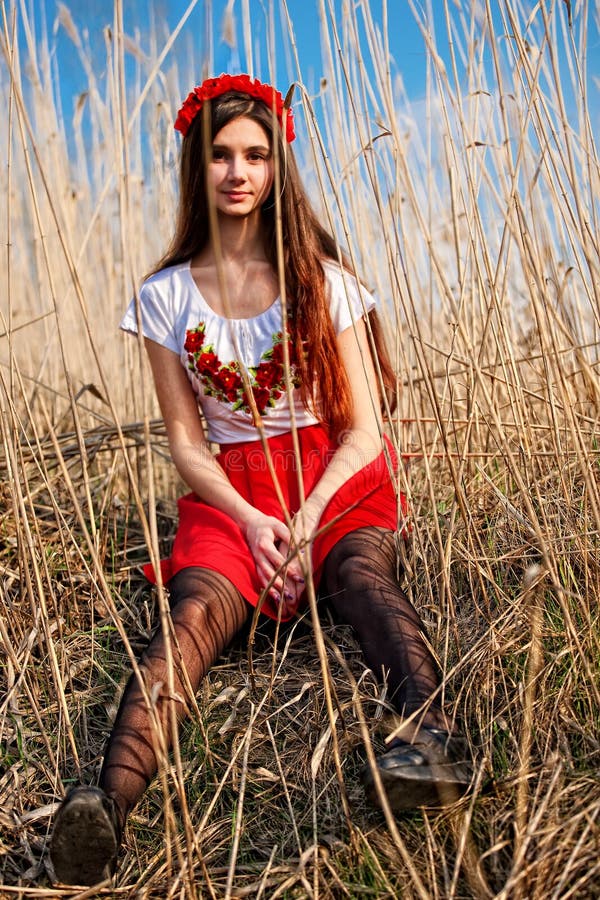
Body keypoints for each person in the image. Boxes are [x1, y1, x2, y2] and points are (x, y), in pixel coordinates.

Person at [49, 73, 472, 887]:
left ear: (276, 166)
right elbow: (185, 440)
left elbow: (363, 432)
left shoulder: (321, 279)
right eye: (219, 156)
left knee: (359, 573)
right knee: (197, 607)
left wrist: (310, 516)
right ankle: (101, 809)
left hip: (331, 476)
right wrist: (246, 518)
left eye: (253, 155)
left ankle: (432, 740)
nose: (237, 171)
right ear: (195, 168)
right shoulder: (165, 296)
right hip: (231, 490)